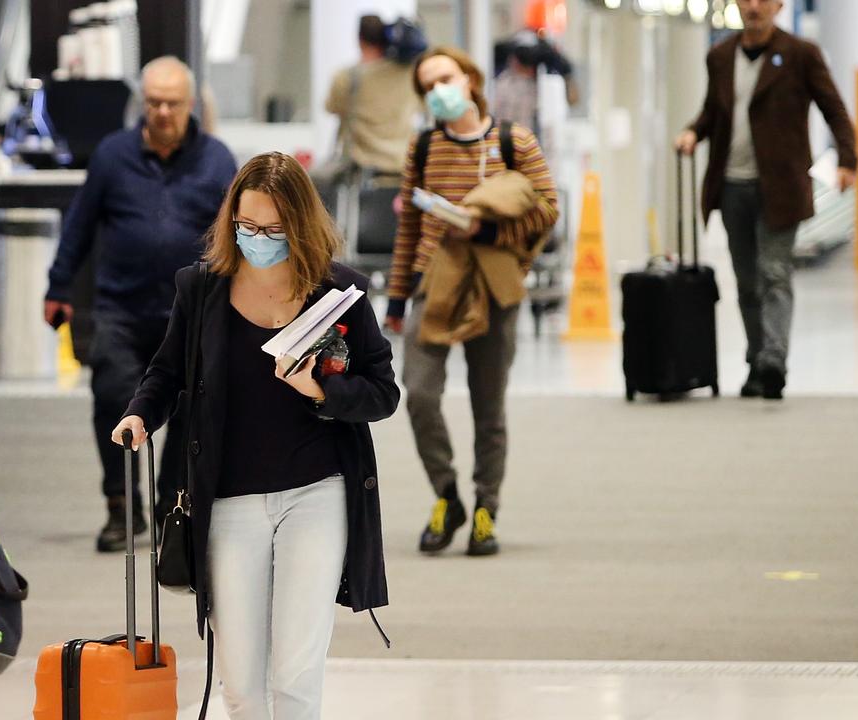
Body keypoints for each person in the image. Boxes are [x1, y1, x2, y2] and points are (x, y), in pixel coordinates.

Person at [112, 152, 399, 719]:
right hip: (228, 499)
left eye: (273, 230)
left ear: (300, 226)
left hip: (316, 494)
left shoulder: (340, 294)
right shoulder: (201, 290)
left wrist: (321, 390)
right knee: (241, 684)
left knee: (295, 672)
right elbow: (167, 372)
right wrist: (140, 415)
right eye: (246, 227)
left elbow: (383, 394)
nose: (258, 239)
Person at [44, 56, 237, 552]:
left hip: (191, 311)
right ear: (142, 104)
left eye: (172, 103)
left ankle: (170, 504)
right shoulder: (113, 155)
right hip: (121, 308)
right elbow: (80, 225)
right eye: (154, 102)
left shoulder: (217, 160)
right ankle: (119, 505)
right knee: (113, 396)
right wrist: (58, 287)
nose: (163, 111)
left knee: (191, 409)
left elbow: (236, 237)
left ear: (190, 104)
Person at [384, 47, 559, 557]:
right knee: (418, 393)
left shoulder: (513, 140)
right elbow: (410, 228)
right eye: (427, 85)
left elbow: (548, 210)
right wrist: (397, 297)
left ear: (470, 79)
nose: (437, 89)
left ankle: (486, 507)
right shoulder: (421, 148)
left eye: (445, 78)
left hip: (492, 284)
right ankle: (446, 494)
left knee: (489, 404)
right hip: (431, 284)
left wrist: (486, 229)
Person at [675, 0, 857, 400]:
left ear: (778, 6)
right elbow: (712, 113)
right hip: (733, 184)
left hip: (781, 186)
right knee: (746, 281)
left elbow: (834, 108)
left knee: (774, 272)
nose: (754, 7)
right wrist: (693, 132)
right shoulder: (720, 56)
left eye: (763, 0)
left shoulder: (800, 54)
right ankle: (758, 357)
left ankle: (774, 359)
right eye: (746, 0)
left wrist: (848, 159)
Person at [324, 14, 421, 177]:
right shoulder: (409, 74)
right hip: (403, 165)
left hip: (363, 169)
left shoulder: (346, 77)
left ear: (360, 39)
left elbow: (332, 107)